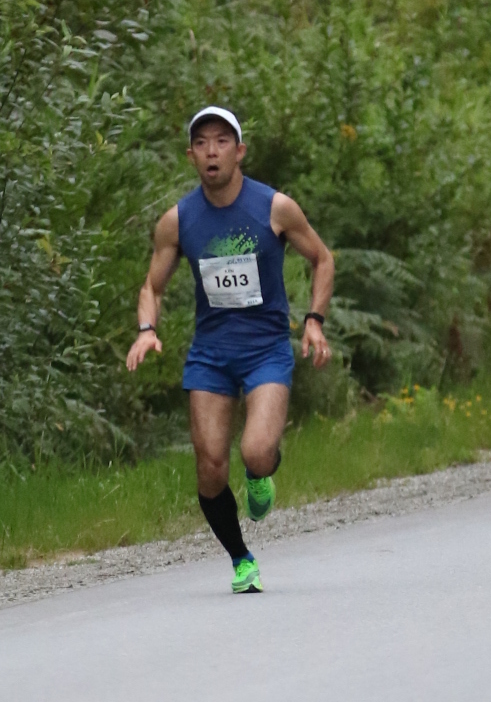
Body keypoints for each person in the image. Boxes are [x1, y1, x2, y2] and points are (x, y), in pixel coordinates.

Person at [126, 107, 335, 592]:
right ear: (191, 156)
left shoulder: (275, 207)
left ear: (239, 151)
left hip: (265, 350)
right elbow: (152, 286)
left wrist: (314, 321)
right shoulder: (177, 221)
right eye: (202, 143)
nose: (212, 151)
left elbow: (322, 259)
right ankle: (242, 560)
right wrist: (146, 328)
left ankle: (262, 474)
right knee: (210, 467)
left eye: (222, 141)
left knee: (256, 453)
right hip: (211, 355)